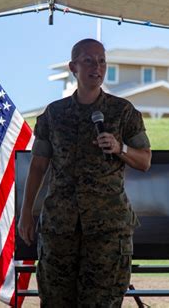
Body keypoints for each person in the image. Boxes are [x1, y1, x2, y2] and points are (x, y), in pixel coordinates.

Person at [17, 38, 151, 307]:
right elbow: (38, 165)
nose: (97, 67)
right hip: (59, 230)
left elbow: (145, 160)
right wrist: (25, 214)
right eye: (88, 60)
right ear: (73, 67)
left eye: (101, 61)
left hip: (108, 233)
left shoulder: (123, 112)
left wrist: (119, 146)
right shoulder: (53, 115)